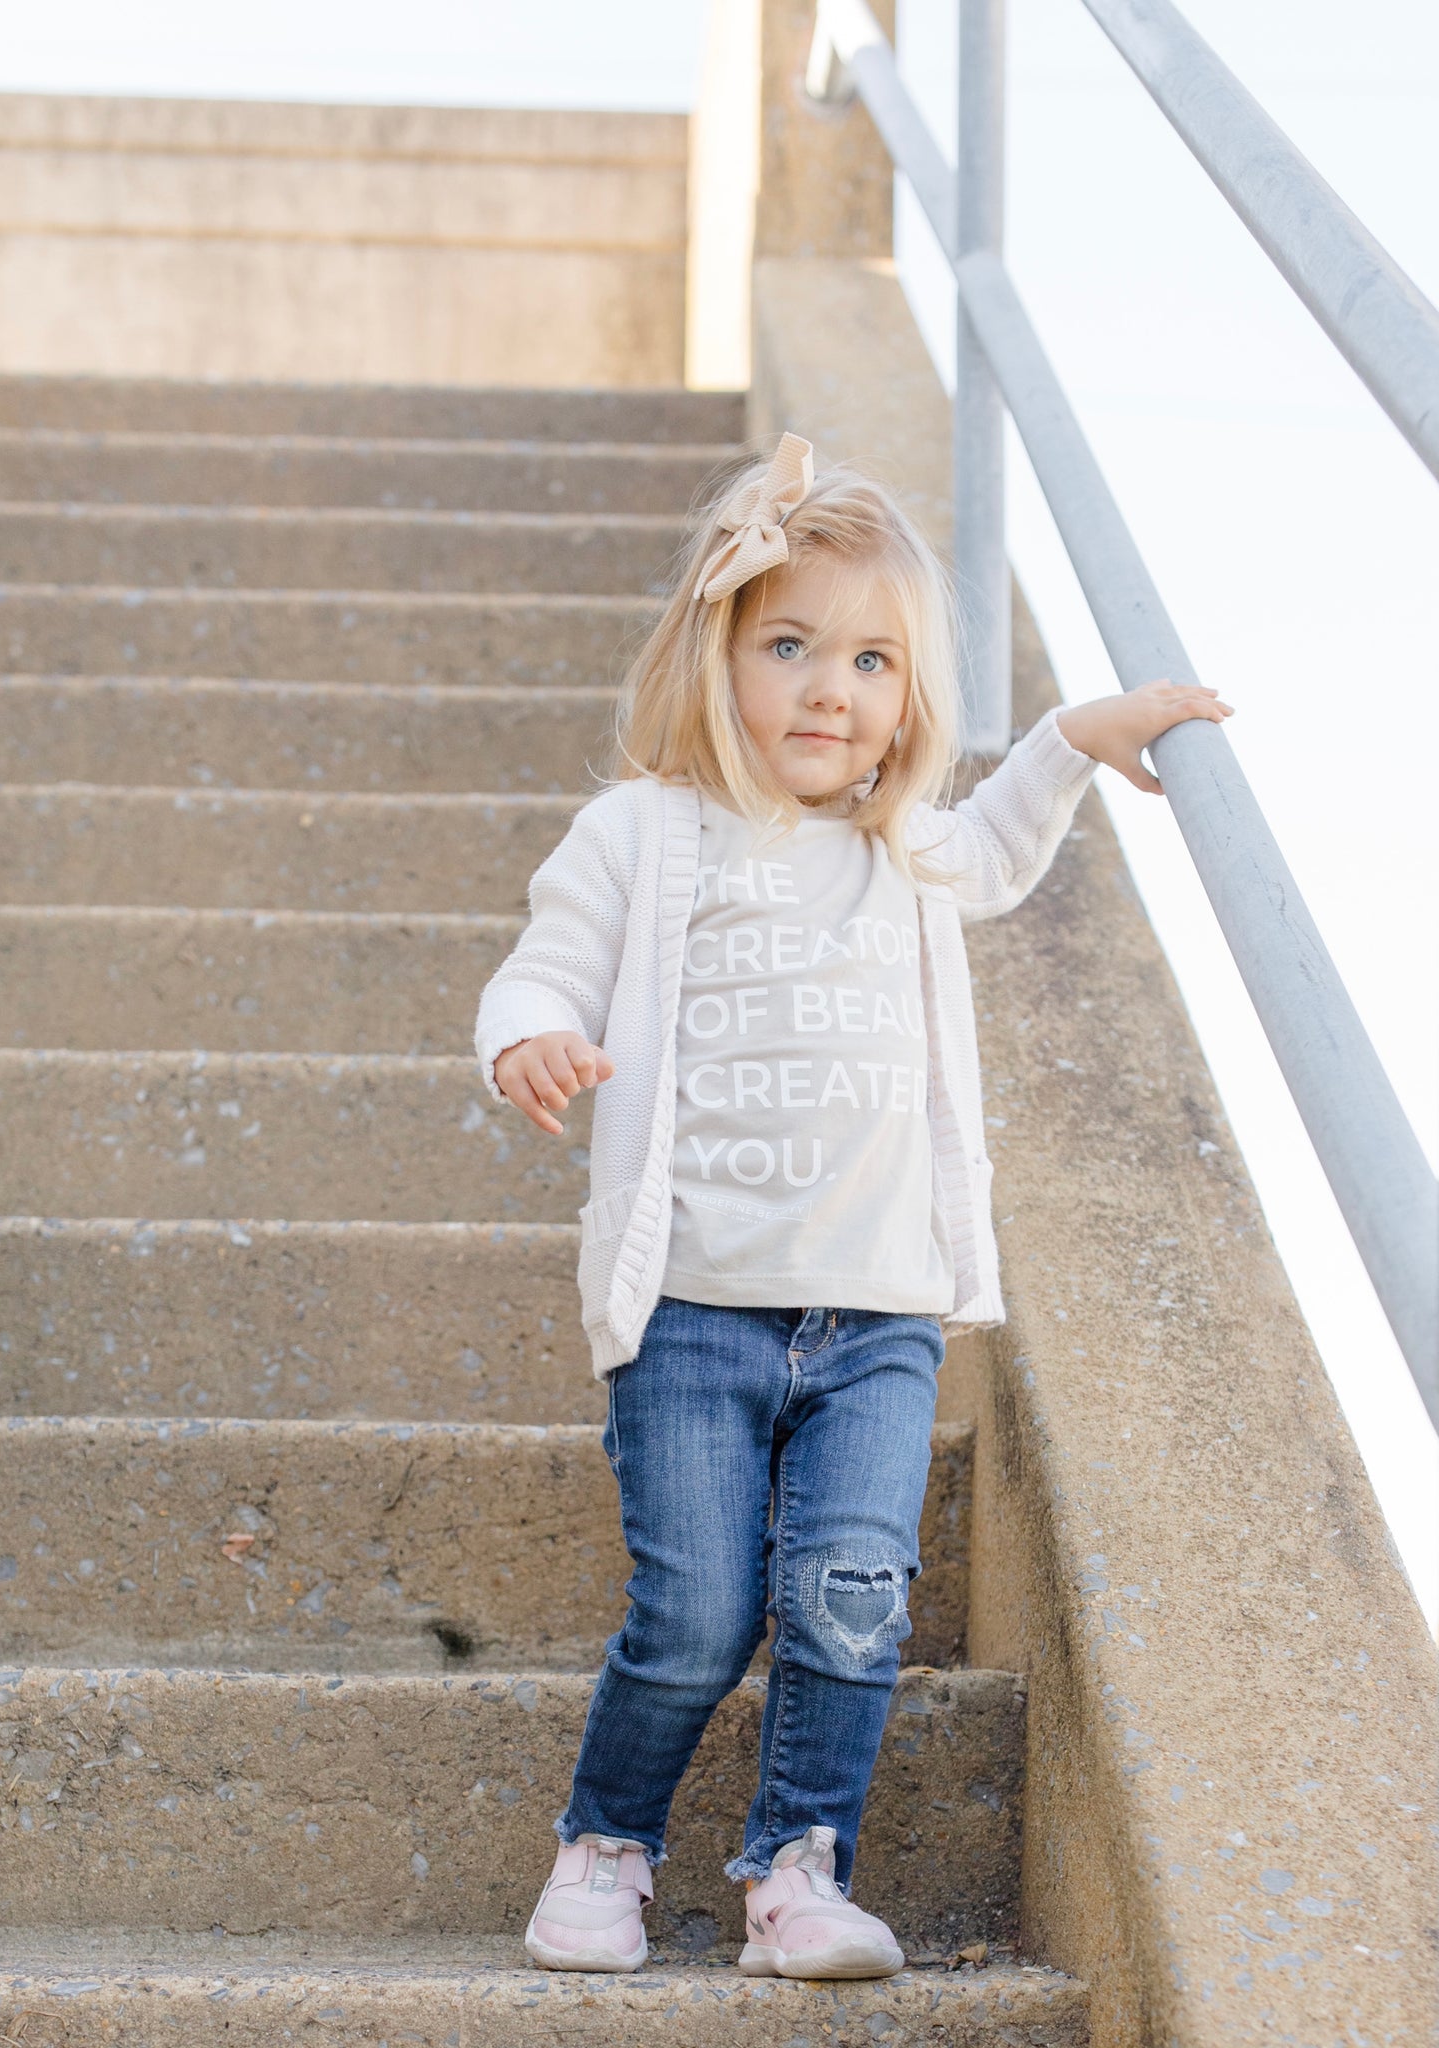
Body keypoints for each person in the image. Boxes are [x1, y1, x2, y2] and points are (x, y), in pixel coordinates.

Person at [475, 432, 1230, 1979]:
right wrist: (528, 1037)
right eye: (793, 646)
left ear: (909, 700)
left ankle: (799, 1869)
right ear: (719, 655)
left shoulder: (907, 847)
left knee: (847, 1603)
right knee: (692, 1611)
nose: (832, 687)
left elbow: (1009, 847)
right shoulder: (646, 830)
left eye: (872, 660)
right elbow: (547, 958)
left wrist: (1079, 736)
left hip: (877, 1311)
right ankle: (604, 1849)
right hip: (692, 1305)